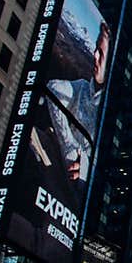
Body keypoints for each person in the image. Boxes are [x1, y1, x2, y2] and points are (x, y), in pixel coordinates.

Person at [46, 21, 111, 186]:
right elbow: (53, 88)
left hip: (81, 193)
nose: (95, 55)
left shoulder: (113, 115)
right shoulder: (81, 87)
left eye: (101, 54)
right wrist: (70, 147)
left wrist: (85, 168)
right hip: (60, 168)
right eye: (96, 49)